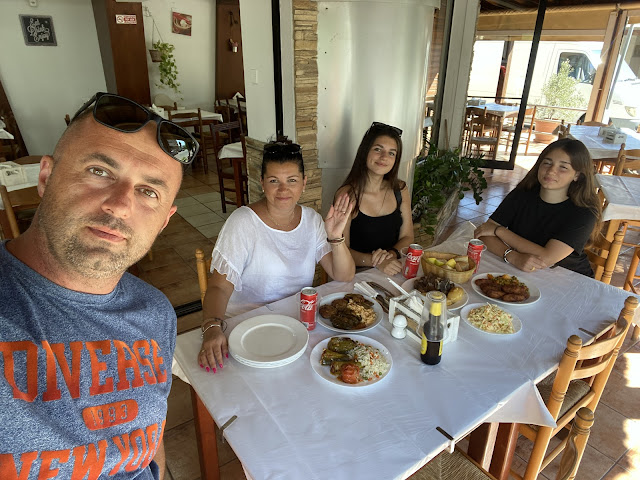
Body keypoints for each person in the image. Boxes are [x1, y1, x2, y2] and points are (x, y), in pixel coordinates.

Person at [0, 92, 198, 479]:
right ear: (46, 177)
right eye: (100, 171)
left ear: (164, 221)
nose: (120, 205)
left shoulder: (156, 313)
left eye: (149, 192)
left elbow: (147, 440)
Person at [199, 142, 355, 371]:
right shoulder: (242, 222)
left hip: (294, 326)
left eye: (292, 180)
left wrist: (335, 237)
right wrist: (212, 327)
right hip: (246, 327)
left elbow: (344, 275)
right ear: (262, 183)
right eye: (274, 181)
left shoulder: (312, 221)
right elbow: (219, 287)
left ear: (304, 182)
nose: (283, 190)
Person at [474, 138, 601, 276]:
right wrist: (513, 256)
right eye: (547, 163)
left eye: (563, 167)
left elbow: (546, 258)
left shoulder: (584, 211)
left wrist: (499, 231)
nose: (551, 171)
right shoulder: (523, 193)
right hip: (523, 270)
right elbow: (483, 233)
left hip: (569, 277)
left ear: (577, 175)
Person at [334, 122, 414, 276]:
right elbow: (340, 249)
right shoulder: (347, 195)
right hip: (356, 276)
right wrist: (376, 261)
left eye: (391, 153)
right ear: (365, 152)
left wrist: (390, 256)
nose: (384, 157)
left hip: (392, 269)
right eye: (378, 149)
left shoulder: (400, 189)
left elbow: (407, 236)